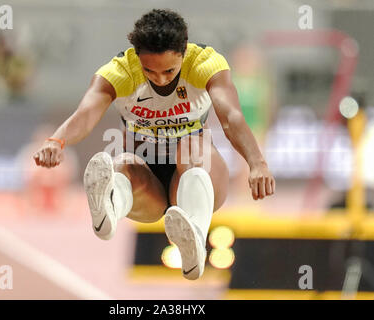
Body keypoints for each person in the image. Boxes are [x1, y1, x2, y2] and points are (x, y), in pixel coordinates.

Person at [33, 9, 275, 280]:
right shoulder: (121, 71)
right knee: (123, 163)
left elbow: (231, 117)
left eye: (169, 70)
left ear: (184, 53)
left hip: (198, 174)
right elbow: (87, 112)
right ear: (137, 59)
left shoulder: (205, 63)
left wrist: (257, 162)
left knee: (190, 147)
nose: (160, 79)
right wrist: (57, 139)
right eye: (150, 71)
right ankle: (110, 208)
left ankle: (194, 234)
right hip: (148, 181)